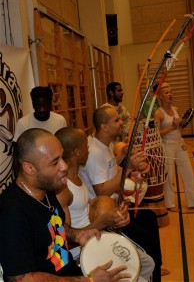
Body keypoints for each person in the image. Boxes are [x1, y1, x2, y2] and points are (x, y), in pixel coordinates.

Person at [0, 128, 131, 282]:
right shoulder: (11, 212)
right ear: (29, 168)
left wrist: (77, 234)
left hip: (70, 271)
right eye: (55, 162)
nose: (64, 166)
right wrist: (88, 280)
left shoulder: (47, 189)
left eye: (62, 157)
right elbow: (22, 279)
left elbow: (54, 227)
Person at [55, 127, 155, 282]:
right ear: (76, 152)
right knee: (141, 273)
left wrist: (115, 209)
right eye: (85, 147)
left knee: (148, 264)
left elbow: (88, 207)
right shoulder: (63, 189)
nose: (89, 149)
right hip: (83, 250)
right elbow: (66, 238)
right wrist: (102, 222)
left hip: (97, 235)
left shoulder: (78, 175)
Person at [79, 105, 166, 281]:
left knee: (149, 218)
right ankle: (153, 270)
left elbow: (110, 169)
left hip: (117, 206)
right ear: (104, 126)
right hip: (107, 216)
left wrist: (121, 158)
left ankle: (157, 268)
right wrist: (129, 168)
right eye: (116, 120)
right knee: (147, 241)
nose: (121, 122)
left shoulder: (106, 144)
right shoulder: (94, 152)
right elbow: (101, 190)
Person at [154, 82, 194, 211]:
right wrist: (172, 127)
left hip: (180, 144)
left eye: (171, 92)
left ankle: (193, 202)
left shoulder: (176, 109)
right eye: (166, 93)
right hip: (167, 146)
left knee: (188, 173)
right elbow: (157, 134)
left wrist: (178, 126)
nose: (170, 94)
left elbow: (178, 129)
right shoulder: (158, 113)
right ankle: (170, 204)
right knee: (169, 176)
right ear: (160, 97)